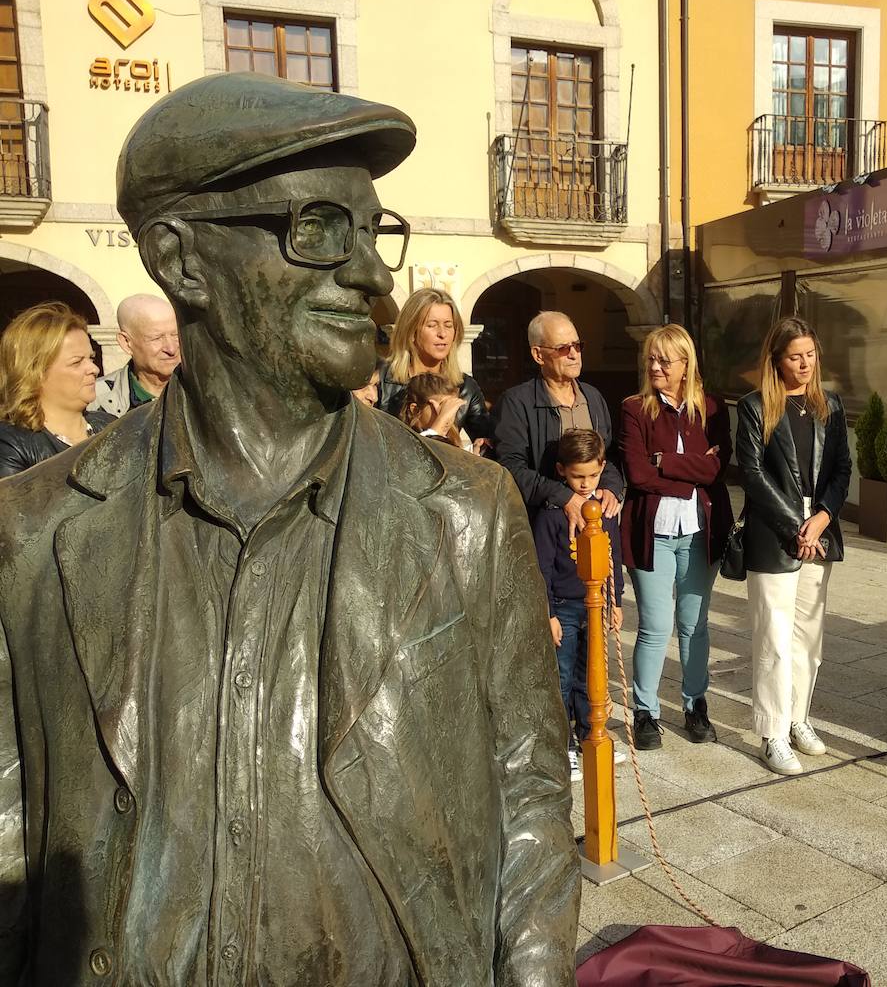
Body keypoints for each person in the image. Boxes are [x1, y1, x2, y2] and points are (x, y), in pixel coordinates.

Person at [0, 73, 577, 984]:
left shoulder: (466, 511)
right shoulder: (34, 528)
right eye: (318, 227)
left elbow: (530, 792)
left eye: (375, 232)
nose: (373, 273)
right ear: (180, 259)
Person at [735, 317, 851, 776]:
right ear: (776, 360)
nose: (803, 364)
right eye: (793, 356)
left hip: (818, 530)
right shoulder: (753, 406)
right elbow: (751, 473)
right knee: (774, 639)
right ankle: (772, 732)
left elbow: (842, 470)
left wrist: (820, 519)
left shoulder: (831, 406)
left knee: (808, 638)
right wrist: (796, 525)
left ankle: (799, 718)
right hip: (773, 530)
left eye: (809, 355)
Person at [620, 324, 733, 750]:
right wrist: (690, 471)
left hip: (700, 532)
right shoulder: (634, 409)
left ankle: (695, 705)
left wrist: (665, 460)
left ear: (686, 365)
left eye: (664, 360)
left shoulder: (712, 408)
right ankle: (646, 713)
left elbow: (718, 470)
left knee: (694, 625)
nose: (655, 366)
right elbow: (637, 473)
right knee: (653, 626)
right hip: (652, 532)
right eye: (650, 358)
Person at [532, 429, 626, 782]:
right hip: (563, 604)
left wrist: (616, 601)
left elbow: (613, 556)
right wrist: (549, 614)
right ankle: (564, 745)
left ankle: (592, 735)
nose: (585, 483)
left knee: (592, 675)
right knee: (562, 676)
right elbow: (541, 566)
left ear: (603, 467)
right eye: (577, 476)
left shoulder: (605, 509)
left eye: (592, 475)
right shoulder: (552, 514)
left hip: (597, 604)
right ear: (561, 470)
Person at [494, 310, 625, 533]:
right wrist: (564, 497)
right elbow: (510, 467)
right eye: (563, 348)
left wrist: (612, 487)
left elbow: (609, 455)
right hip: (541, 528)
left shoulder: (593, 397)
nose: (574, 354)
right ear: (538, 355)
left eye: (578, 345)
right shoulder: (516, 402)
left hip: (594, 524)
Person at [0, 302, 115, 478]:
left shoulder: (111, 427)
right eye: (76, 362)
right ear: (35, 372)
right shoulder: (11, 445)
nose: (94, 369)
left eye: (91, 358)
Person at [377, 287, 493, 451]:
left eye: (448, 325)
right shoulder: (381, 379)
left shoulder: (465, 386)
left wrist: (478, 452)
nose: (442, 334)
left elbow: (487, 441)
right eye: (432, 325)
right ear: (411, 331)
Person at [88, 292, 181, 417]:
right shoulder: (93, 400)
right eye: (157, 338)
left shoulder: (206, 389)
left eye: (176, 335)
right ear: (126, 343)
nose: (171, 348)